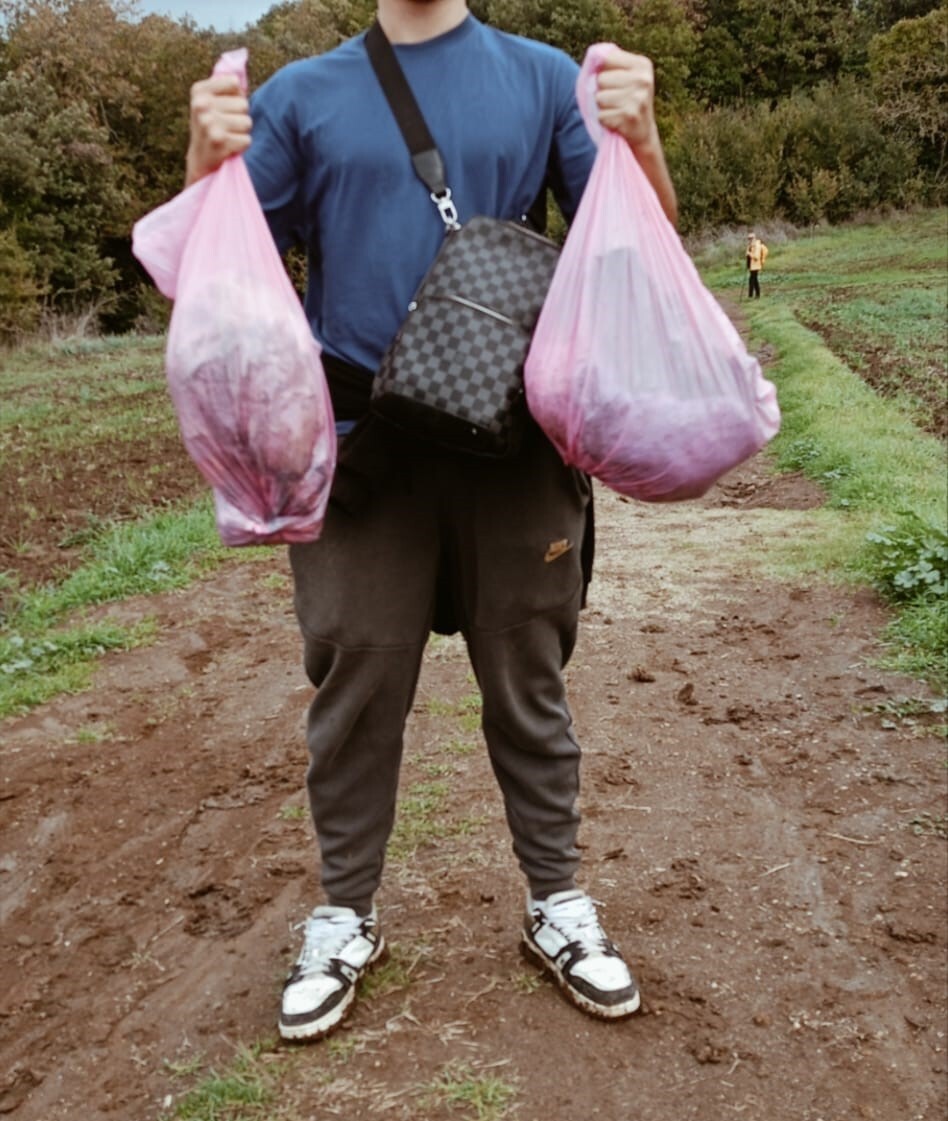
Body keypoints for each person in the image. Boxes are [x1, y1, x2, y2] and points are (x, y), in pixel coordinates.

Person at [186, 0, 678, 1043]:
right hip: (366, 459)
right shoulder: (301, 95)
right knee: (355, 688)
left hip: (514, 447)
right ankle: (346, 913)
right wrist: (201, 163)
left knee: (528, 681)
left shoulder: (546, 78)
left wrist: (644, 141)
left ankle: (557, 903)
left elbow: (639, 253)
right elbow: (215, 274)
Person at [746, 230, 768, 298]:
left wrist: (749, 254)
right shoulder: (751, 246)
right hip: (752, 266)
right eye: (749, 238)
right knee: (754, 280)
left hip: (756, 266)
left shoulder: (757, 246)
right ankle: (757, 295)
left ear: (754, 238)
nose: (750, 239)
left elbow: (756, 257)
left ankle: (751, 295)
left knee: (752, 280)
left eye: (751, 238)